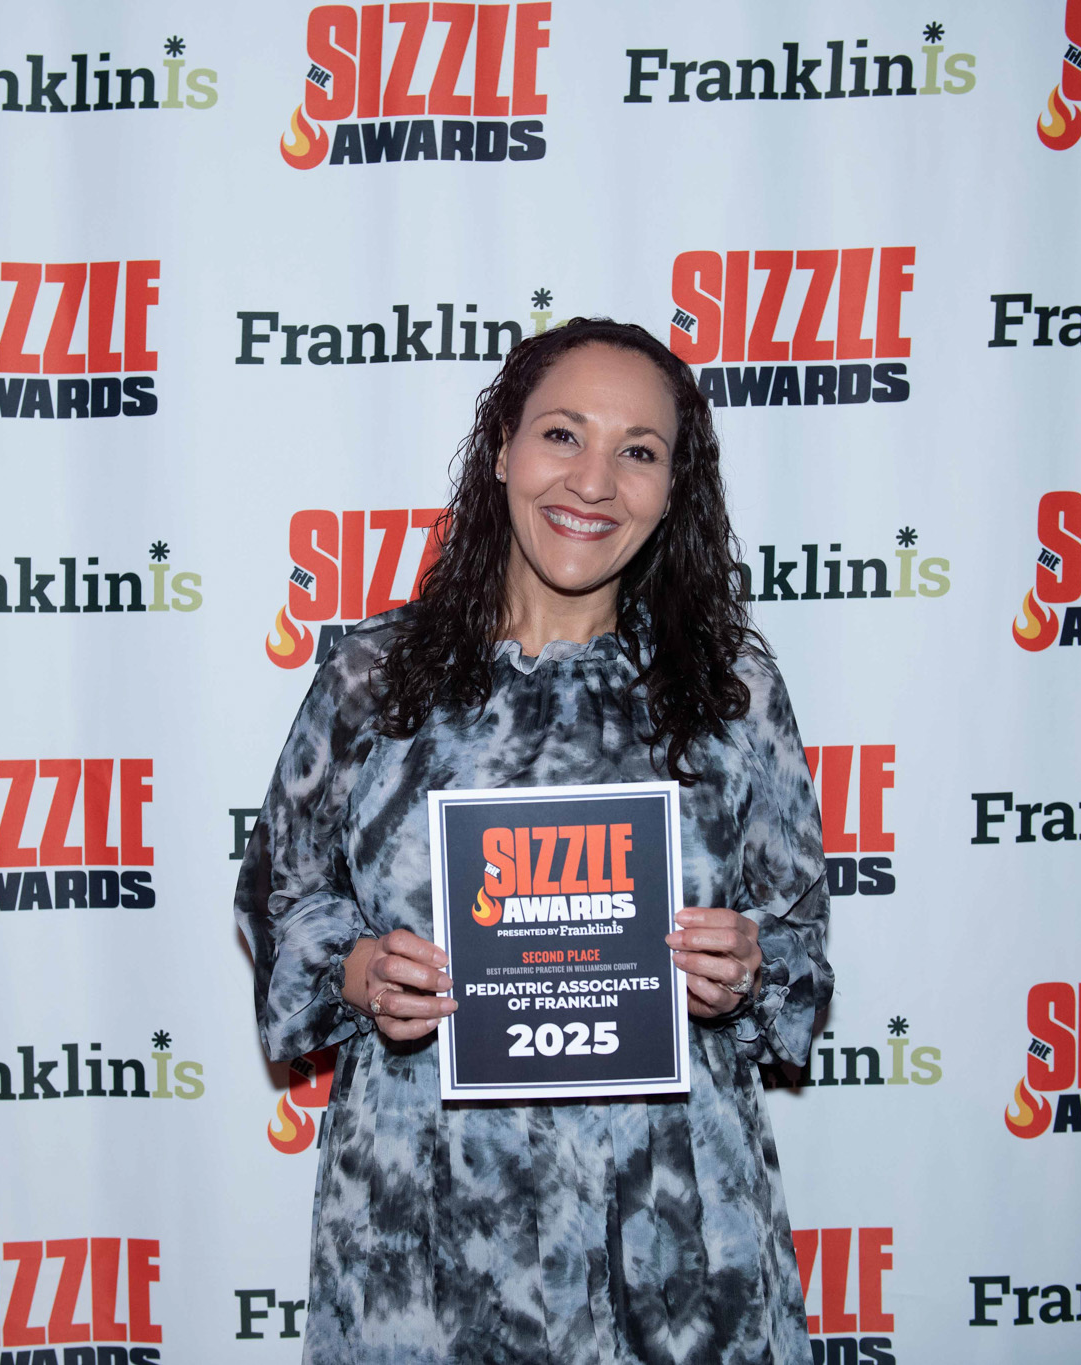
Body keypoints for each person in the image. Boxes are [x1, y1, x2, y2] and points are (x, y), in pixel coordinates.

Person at [235, 318, 833, 1365]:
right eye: (563, 434)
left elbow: (796, 946)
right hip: (426, 1235)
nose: (593, 481)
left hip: (672, 1237)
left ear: (673, 487)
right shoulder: (373, 678)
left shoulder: (731, 688)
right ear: (503, 447)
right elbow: (281, 901)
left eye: (637, 451)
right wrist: (359, 969)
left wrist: (746, 967)